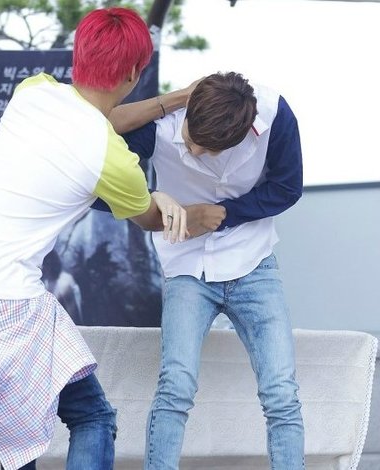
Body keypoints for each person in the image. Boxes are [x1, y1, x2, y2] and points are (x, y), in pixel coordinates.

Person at [0, 8, 189, 470]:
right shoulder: (112, 160)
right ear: (134, 73)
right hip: (3, 303)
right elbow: (154, 219)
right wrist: (170, 200)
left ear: (80, 54)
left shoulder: (33, 91)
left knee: (21, 438)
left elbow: (101, 119)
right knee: (93, 417)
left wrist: (176, 99)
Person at [110, 71, 305, 469]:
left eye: (209, 149)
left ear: (244, 134)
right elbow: (99, 172)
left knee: (282, 393)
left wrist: (224, 214)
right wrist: (153, 199)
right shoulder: (161, 124)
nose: (195, 151)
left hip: (254, 261)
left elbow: (287, 187)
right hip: (185, 266)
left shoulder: (274, 115)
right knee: (175, 387)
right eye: (191, 140)